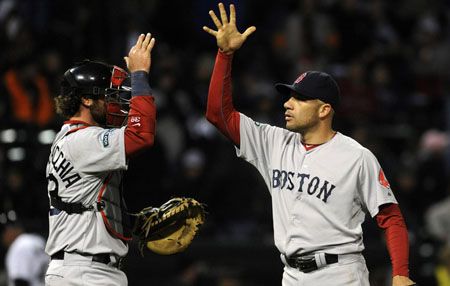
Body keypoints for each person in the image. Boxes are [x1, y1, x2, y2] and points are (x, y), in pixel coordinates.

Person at [203, 3, 416, 286]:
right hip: (290, 275)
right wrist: (225, 54)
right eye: (289, 96)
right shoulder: (273, 142)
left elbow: (391, 218)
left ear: (324, 110)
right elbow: (218, 114)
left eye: (299, 99)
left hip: (341, 274)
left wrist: (400, 274)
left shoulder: (356, 156)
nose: (287, 104)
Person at [44, 33, 156, 285]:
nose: (116, 102)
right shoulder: (84, 140)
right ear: (85, 99)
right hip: (87, 272)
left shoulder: (70, 138)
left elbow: (90, 204)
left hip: (79, 268)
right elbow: (141, 136)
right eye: (108, 96)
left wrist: (132, 222)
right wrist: (139, 75)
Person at [2, 222, 49, 286]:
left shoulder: (19, 245)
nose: (3, 237)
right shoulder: (38, 240)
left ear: (10, 231)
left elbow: (20, 280)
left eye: (4, 232)